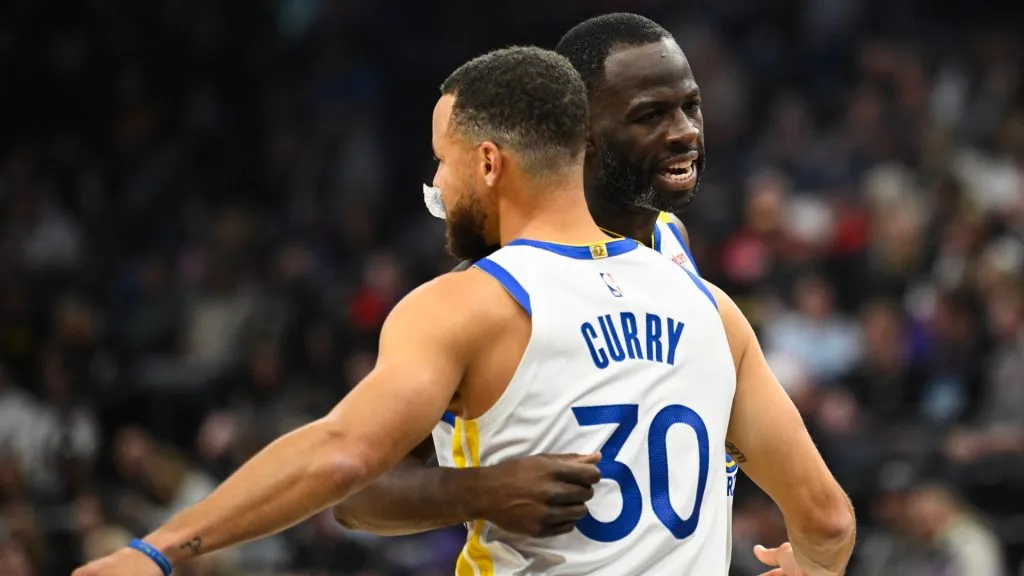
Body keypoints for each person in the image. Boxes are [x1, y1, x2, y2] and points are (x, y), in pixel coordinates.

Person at [72, 45, 722, 576]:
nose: (435, 185)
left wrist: (155, 550)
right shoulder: (672, 294)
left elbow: (342, 456)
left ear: (491, 164)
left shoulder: (659, 258)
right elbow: (359, 485)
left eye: (443, 162)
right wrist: (482, 490)